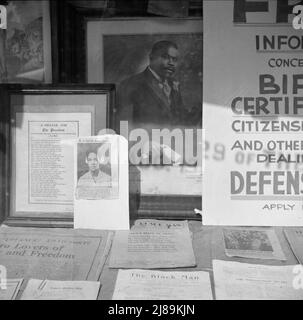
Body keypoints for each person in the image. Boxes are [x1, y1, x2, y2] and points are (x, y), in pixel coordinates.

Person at [116, 40, 186, 127]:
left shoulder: (173, 84)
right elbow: (123, 124)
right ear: (151, 58)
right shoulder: (131, 84)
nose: (171, 63)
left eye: (174, 59)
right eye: (165, 57)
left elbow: (180, 118)